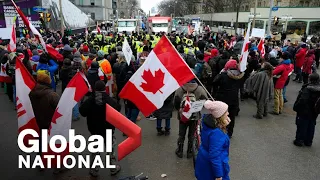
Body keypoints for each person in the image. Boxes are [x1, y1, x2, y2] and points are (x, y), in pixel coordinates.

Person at [79, 80, 121, 177]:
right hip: (108, 129)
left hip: (94, 129)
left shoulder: (90, 100)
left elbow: (82, 112)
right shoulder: (109, 99)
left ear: (95, 89)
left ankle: (94, 170)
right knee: (110, 149)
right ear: (104, 89)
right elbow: (118, 108)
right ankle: (113, 168)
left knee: (95, 150)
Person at [29, 71, 60, 173]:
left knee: (41, 142)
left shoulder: (31, 93)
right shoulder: (52, 95)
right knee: (55, 144)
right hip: (51, 122)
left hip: (38, 121)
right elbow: (59, 108)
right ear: (48, 81)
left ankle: (40, 162)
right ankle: (56, 166)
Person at [195, 100, 231, 180]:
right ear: (220, 116)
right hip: (212, 168)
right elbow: (215, 155)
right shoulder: (217, 133)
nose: (228, 113)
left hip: (204, 160)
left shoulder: (208, 123)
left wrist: (223, 125)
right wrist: (218, 175)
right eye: (226, 112)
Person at [174, 77, 208, 158]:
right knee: (192, 134)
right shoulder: (199, 89)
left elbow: (176, 102)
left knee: (181, 134)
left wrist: (180, 109)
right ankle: (190, 151)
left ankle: (180, 151)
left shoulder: (180, 88)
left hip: (183, 116)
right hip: (195, 116)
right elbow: (205, 101)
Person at [213, 60, 244, 138]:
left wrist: (221, 73)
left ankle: (221, 131)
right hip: (234, 99)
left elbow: (214, 81)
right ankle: (229, 133)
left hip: (223, 99)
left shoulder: (223, 75)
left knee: (221, 116)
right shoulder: (240, 76)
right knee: (232, 117)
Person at [293, 73, 320, 147]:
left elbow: (302, 100)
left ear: (310, 79)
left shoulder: (307, 89)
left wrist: (296, 107)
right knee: (311, 126)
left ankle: (299, 140)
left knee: (302, 126)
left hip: (304, 111)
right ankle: (308, 141)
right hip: (315, 111)